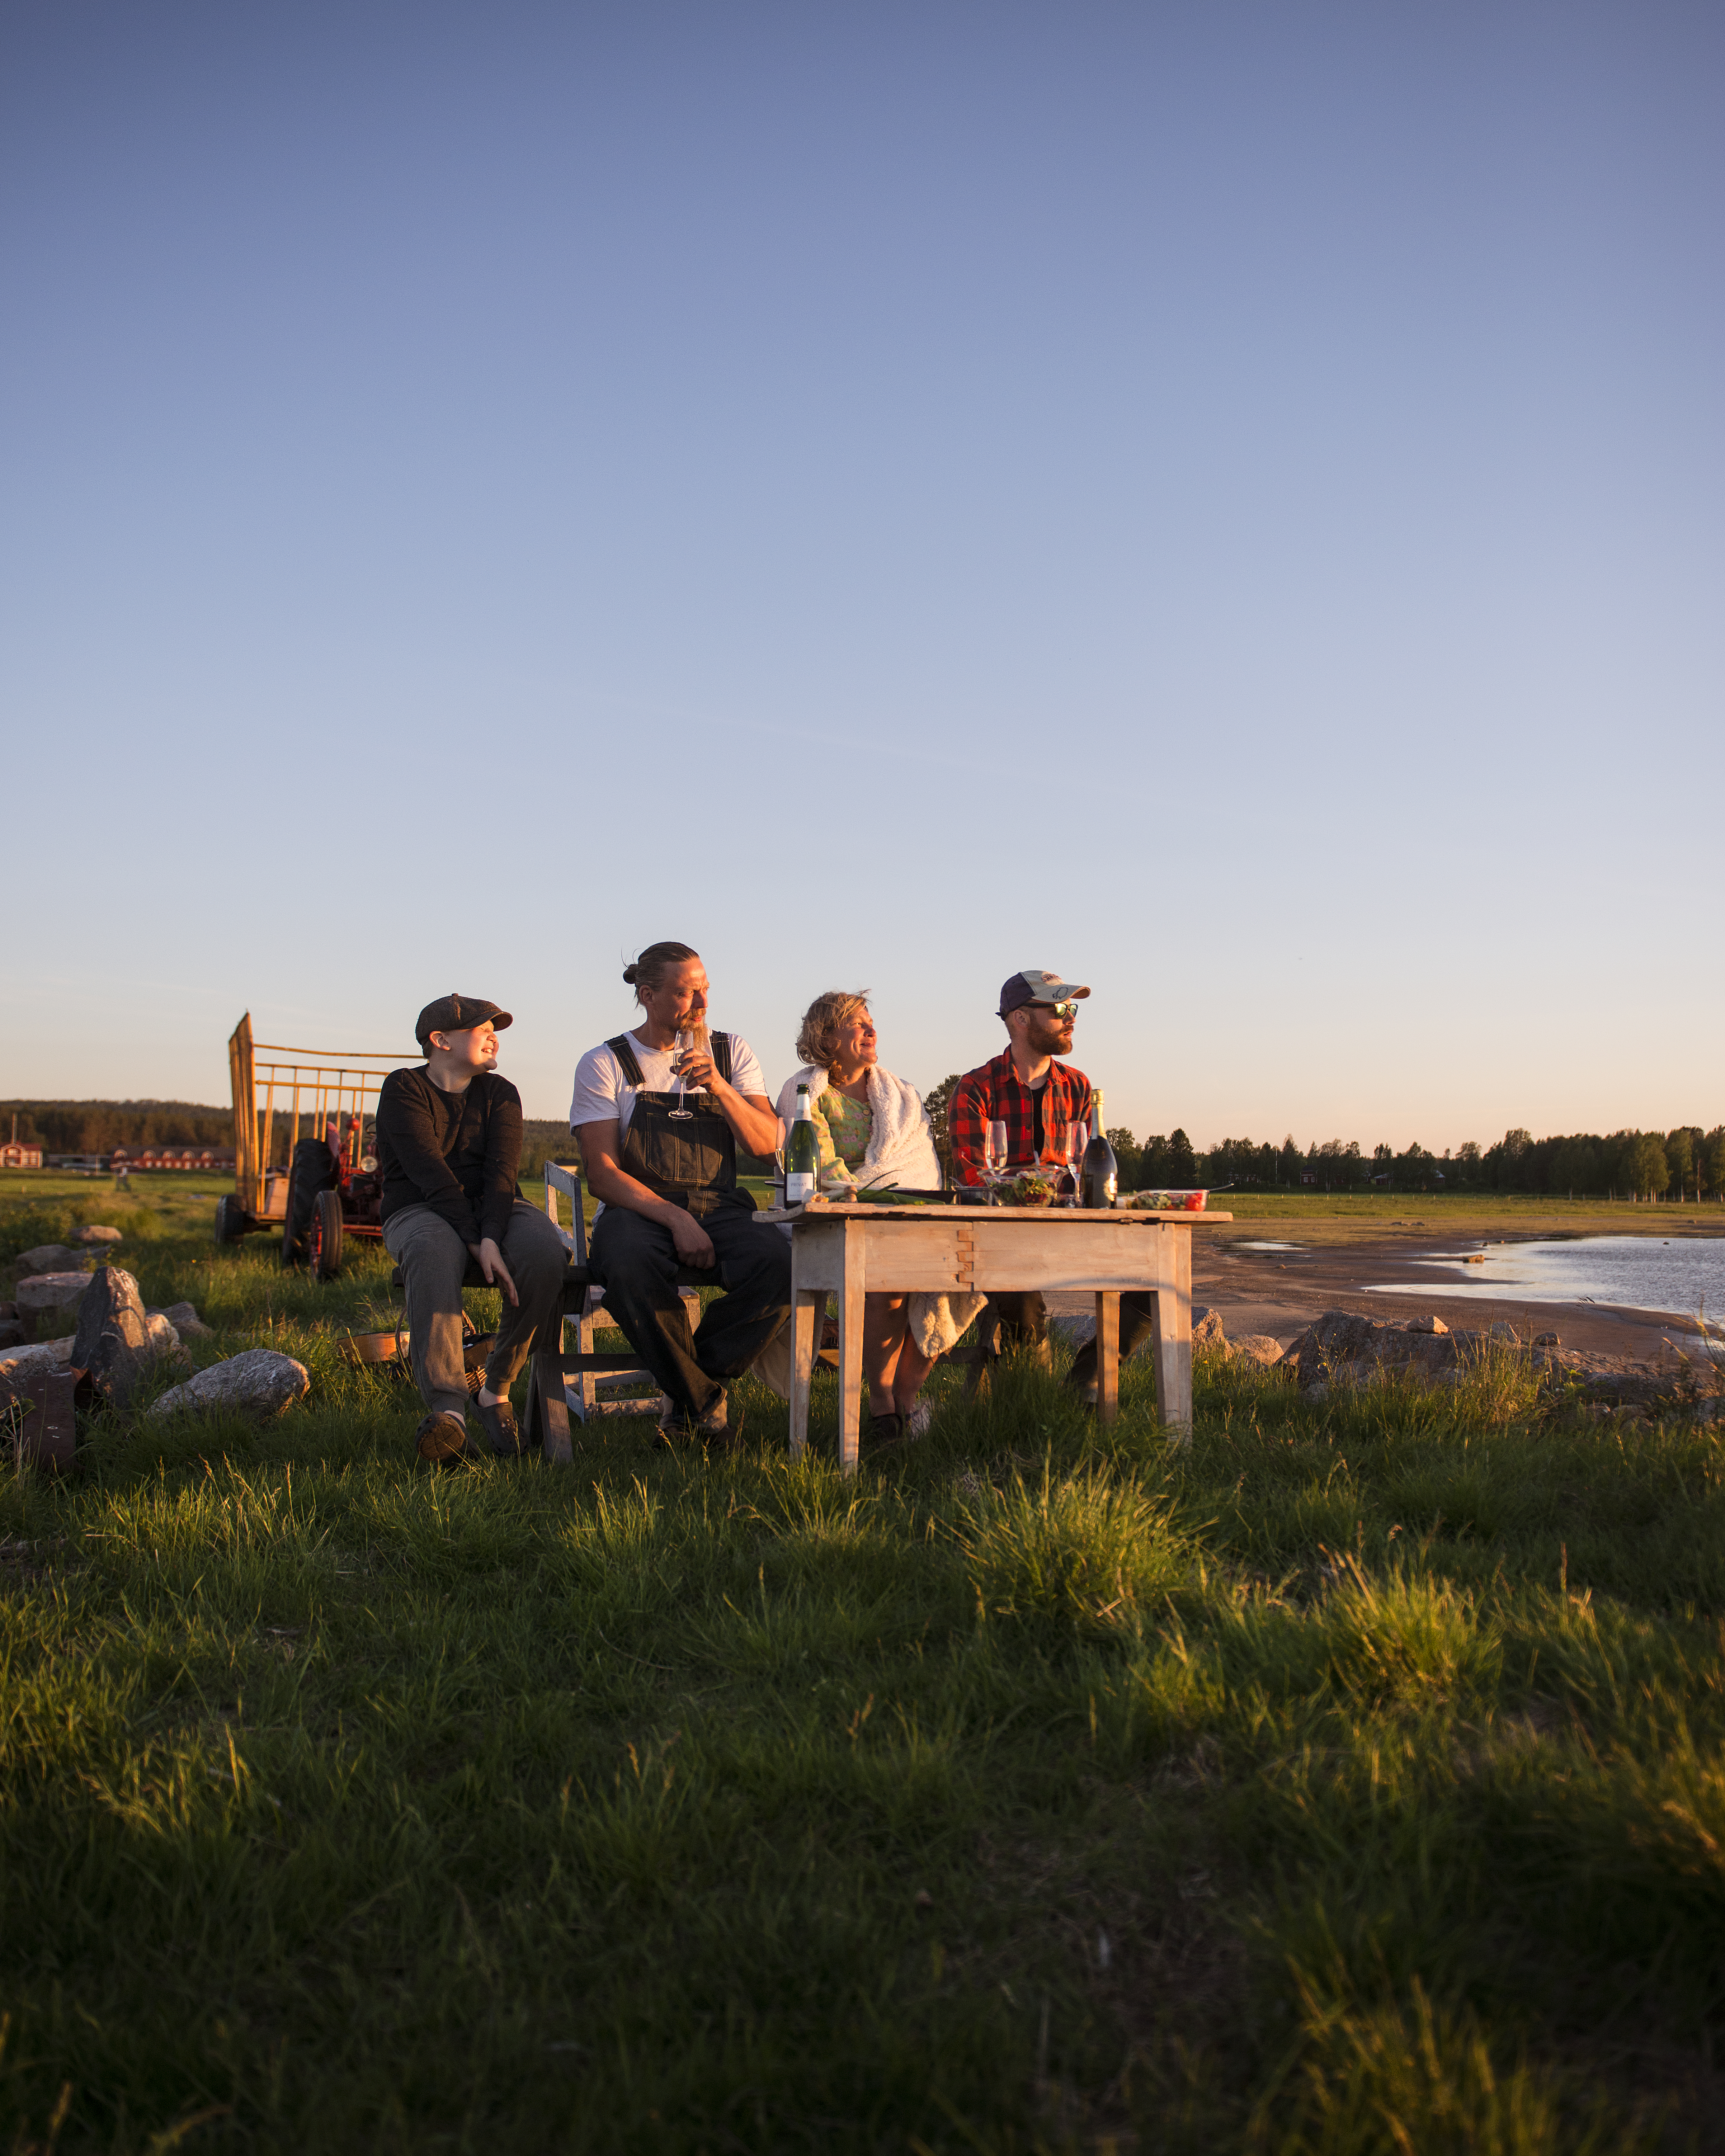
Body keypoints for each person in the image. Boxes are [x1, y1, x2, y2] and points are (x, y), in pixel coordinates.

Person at [570, 941, 791, 1445]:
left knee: (780, 1265)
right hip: (637, 1208)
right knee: (626, 1264)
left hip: (721, 1204)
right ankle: (706, 1407)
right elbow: (602, 1174)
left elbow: (768, 1146)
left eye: (705, 989)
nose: (702, 1003)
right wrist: (675, 1218)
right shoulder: (605, 1062)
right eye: (686, 992)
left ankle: (688, 1393)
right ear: (648, 995)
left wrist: (721, 1087)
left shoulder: (732, 1052)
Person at [776, 991, 986, 1446]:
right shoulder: (806, 1093)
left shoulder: (901, 1095)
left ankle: (905, 1400)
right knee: (887, 1283)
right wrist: (859, 1195)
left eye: (871, 1021)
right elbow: (820, 1165)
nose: (871, 1030)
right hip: (840, 1219)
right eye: (857, 1023)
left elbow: (915, 1162)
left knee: (956, 1275)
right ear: (826, 1036)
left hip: (907, 1212)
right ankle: (881, 1403)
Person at [377, 995, 571, 1464]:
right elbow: (431, 1174)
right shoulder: (404, 1087)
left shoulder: (502, 1093)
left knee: (545, 1252)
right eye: (482, 1030)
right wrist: (475, 1240)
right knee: (432, 1250)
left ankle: (495, 1389)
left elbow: (502, 1174)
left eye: (495, 1031)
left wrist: (490, 1236)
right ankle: (449, 1412)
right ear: (440, 1040)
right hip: (420, 1206)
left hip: (496, 1205)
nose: (494, 1038)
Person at [949, 968, 1158, 1403]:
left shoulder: (1079, 1086)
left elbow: (1089, 1170)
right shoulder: (975, 1088)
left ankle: (1083, 1386)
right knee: (1022, 1300)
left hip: (1070, 1232)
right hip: (1001, 1238)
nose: (1071, 1018)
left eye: (1072, 1007)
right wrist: (1034, 1186)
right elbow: (976, 1180)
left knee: (1154, 1275)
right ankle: (1036, 1406)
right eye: (1060, 1008)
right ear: (1021, 1018)